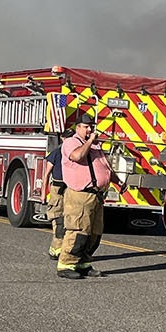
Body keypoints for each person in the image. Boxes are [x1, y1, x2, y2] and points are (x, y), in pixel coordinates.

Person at [56, 114, 112, 279]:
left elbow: (105, 167)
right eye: (86, 126)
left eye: (91, 126)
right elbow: (77, 156)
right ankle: (66, 264)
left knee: (94, 233)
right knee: (78, 231)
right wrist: (89, 141)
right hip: (80, 195)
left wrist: (116, 180)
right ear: (78, 127)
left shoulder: (95, 146)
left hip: (96, 196)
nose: (90, 129)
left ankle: (84, 263)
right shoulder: (71, 143)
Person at [39, 127, 70, 260]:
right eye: (67, 137)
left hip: (70, 189)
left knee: (69, 221)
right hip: (57, 189)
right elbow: (46, 174)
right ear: (63, 138)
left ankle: (64, 250)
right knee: (58, 221)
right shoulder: (56, 153)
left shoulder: (74, 153)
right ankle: (55, 249)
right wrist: (42, 193)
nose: (69, 140)